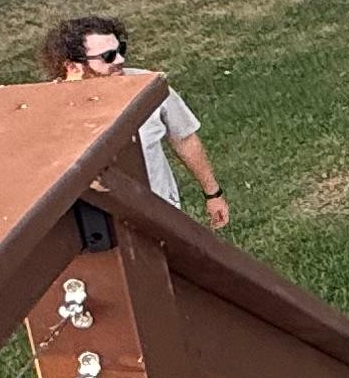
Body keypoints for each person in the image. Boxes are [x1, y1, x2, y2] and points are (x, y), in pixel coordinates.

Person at [42, 16, 230, 227]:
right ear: (72, 66)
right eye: (108, 56)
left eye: (120, 49)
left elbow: (184, 138)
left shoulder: (148, 86)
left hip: (161, 213)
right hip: (99, 227)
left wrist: (213, 194)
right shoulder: (50, 110)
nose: (120, 60)